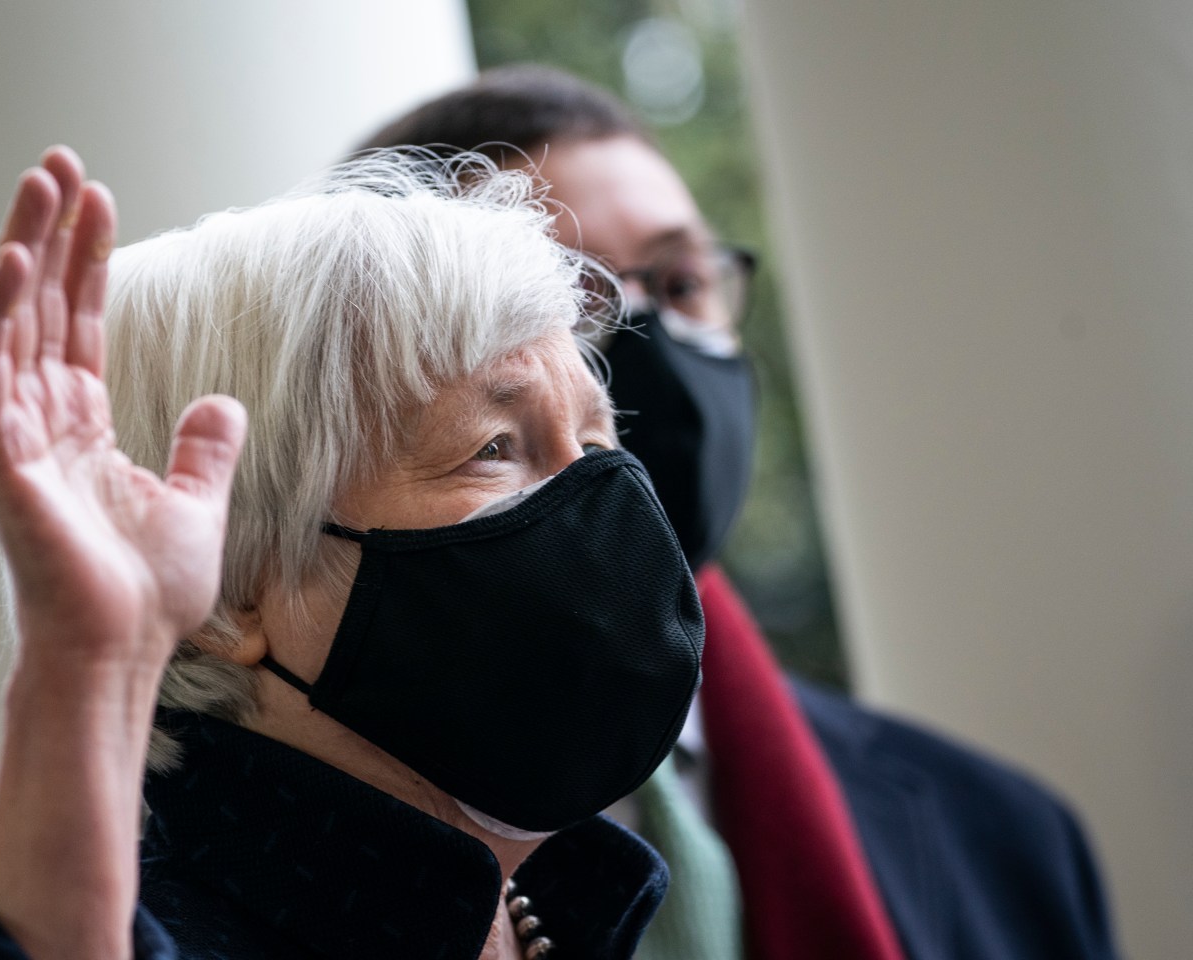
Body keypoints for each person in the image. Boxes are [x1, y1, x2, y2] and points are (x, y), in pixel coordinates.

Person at [356, 65, 1120, 960]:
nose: (656, 348)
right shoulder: (254, 859)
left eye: (681, 284)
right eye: (575, 295)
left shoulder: (1007, 839)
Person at [0, 146, 709, 959]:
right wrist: (81, 669)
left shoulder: (571, 904)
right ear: (235, 591)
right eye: (494, 447)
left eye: (595, 436)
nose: (600, 504)